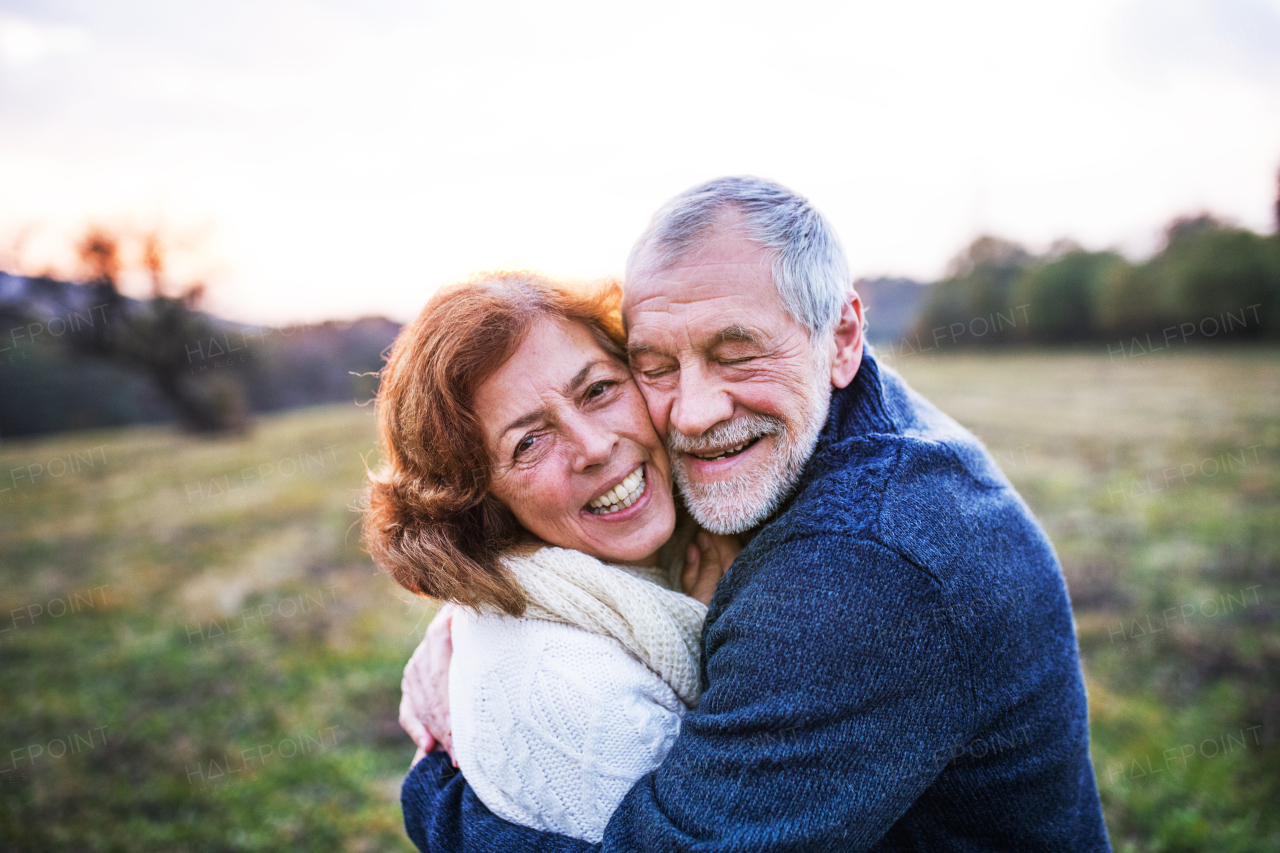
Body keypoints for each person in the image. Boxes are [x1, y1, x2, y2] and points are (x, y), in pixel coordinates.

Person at [399, 176, 1113, 851]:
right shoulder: (832, 408)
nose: (695, 410)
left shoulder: (856, 571)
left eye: (736, 354)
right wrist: (475, 603)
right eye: (656, 365)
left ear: (841, 336)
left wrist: (435, 796)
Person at [363, 271, 741, 843]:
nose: (593, 447)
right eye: (528, 442)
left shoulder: (714, 514)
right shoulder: (574, 688)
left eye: (598, 390)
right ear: (477, 501)